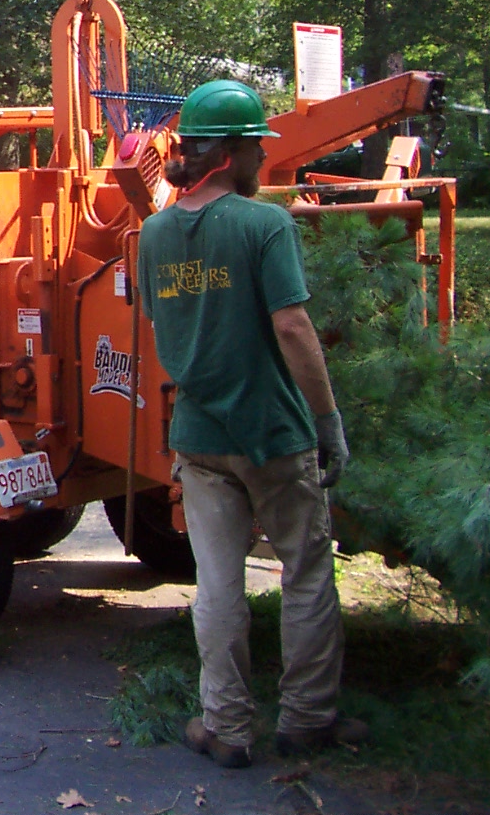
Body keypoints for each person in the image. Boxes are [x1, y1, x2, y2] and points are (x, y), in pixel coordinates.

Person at [137, 79, 368, 769]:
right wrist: (327, 422)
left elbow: (161, 323)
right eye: (256, 147)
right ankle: (306, 719)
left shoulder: (153, 234)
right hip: (272, 432)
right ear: (232, 153)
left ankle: (227, 728)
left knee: (218, 584)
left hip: (201, 438)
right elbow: (292, 326)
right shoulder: (264, 225)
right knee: (303, 573)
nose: (264, 160)